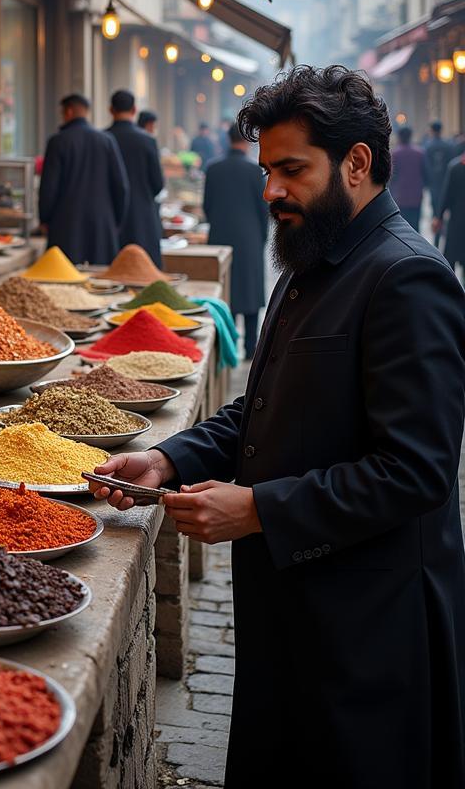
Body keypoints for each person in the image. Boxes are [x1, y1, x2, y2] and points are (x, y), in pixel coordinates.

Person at [91, 65, 465, 789]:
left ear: (357, 164)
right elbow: (262, 407)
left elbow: (417, 470)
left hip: (371, 629)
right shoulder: (312, 255)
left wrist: (262, 508)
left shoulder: (407, 278)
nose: (270, 191)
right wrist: (168, 459)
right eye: (266, 170)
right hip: (297, 611)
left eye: (290, 170)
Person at [38, 93, 129, 265]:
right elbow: (121, 186)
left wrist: (45, 219)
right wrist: (115, 221)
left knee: (66, 280)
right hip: (102, 223)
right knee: (100, 280)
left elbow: (49, 187)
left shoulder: (58, 142)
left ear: (69, 112)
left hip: (66, 223)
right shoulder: (107, 141)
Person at [203, 125, 268, 358]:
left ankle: (224, 347)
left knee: (224, 291)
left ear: (227, 140)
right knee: (250, 290)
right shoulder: (255, 171)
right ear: (247, 142)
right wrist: (262, 236)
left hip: (220, 237)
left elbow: (207, 206)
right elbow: (265, 209)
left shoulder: (213, 168)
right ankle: (251, 348)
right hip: (249, 237)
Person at [106, 90, 164, 265]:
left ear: (111, 110)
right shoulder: (147, 141)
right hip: (142, 216)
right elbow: (158, 184)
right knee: (145, 273)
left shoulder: (103, 139)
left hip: (112, 217)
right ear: (134, 110)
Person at [433, 146, 465, 277]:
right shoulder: (455, 167)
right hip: (457, 221)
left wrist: (438, 217)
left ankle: (452, 292)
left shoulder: (456, 167)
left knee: (450, 258)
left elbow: (446, 195)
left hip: (457, 221)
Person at [389, 125, 425, 230]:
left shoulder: (394, 154)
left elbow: (391, 177)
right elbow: (425, 174)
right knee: (415, 226)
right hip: (416, 196)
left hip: (399, 196)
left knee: (401, 228)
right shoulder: (420, 153)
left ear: (399, 137)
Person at [424, 119, 453, 205]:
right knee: (445, 201)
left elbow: (426, 165)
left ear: (432, 130)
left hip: (433, 179)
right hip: (445, 177)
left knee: (434, 202)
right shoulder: (448, 145)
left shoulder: (428, 146)